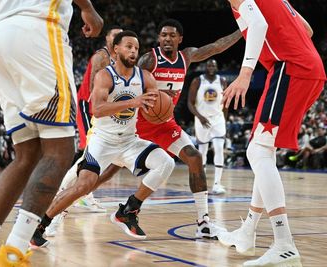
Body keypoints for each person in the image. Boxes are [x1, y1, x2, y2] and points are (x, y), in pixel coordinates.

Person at [37, 19, 243, 242]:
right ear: (158, 38)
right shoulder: (149, 60)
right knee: (100, 175)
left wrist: (243, 30)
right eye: (163, 35)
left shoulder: (187, 57)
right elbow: (128, 81)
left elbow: (217, 46)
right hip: (138, 124)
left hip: (164, 123)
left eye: (172, 35)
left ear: (180, 39)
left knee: (194, 158)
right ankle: (60, 211)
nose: (167, 39)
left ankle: (202, 222)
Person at [0, 0, 103, 266]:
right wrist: (88, 8)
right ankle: (14, 253)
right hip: (38, 30)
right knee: (60, 151)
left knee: (27, 155)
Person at [31, 31, 175, 246]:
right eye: (128, 46)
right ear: (116, 49)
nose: (133, 51)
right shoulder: (104, 76)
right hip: (102, 141)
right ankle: (41, 226)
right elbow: (97, 109)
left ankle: (128, 211)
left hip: (129, 141)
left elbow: (153, 108)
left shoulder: (145, 77)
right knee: (83, 186)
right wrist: (133, 102)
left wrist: (160, 106)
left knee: (166, 163)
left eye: (136, 47)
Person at [217, 0, 326, 266]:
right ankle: (248, 231)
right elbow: (308, 30)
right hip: (307, 68)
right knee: (262, 150)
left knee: (257, 151)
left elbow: (259, 24)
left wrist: (244, 75)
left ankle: (284, 244)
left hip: (290, 67)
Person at [42, 25, 123, 237]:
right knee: (91, 153)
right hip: (89, 106)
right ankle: (65, 194)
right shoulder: (101, 57)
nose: (118, 40)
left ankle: (85, 194)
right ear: (107, 40)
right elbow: (98, 90)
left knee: (101, 156)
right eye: (115, 36)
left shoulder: (121, 61)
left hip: (105, 111)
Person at [187, 59, 228, 195]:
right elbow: (190, 103)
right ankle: (202, 183)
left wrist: (224, 119)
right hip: (202, 119)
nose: (211, 67)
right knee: (202, 152)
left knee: (219, 149)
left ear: (217, 67)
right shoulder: (198, 81)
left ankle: (217, 184)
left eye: (214, 65)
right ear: (205, 67)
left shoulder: (222, 81)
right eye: (209, 65)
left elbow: (226, 102)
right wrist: (199, 117)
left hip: (217, 119)